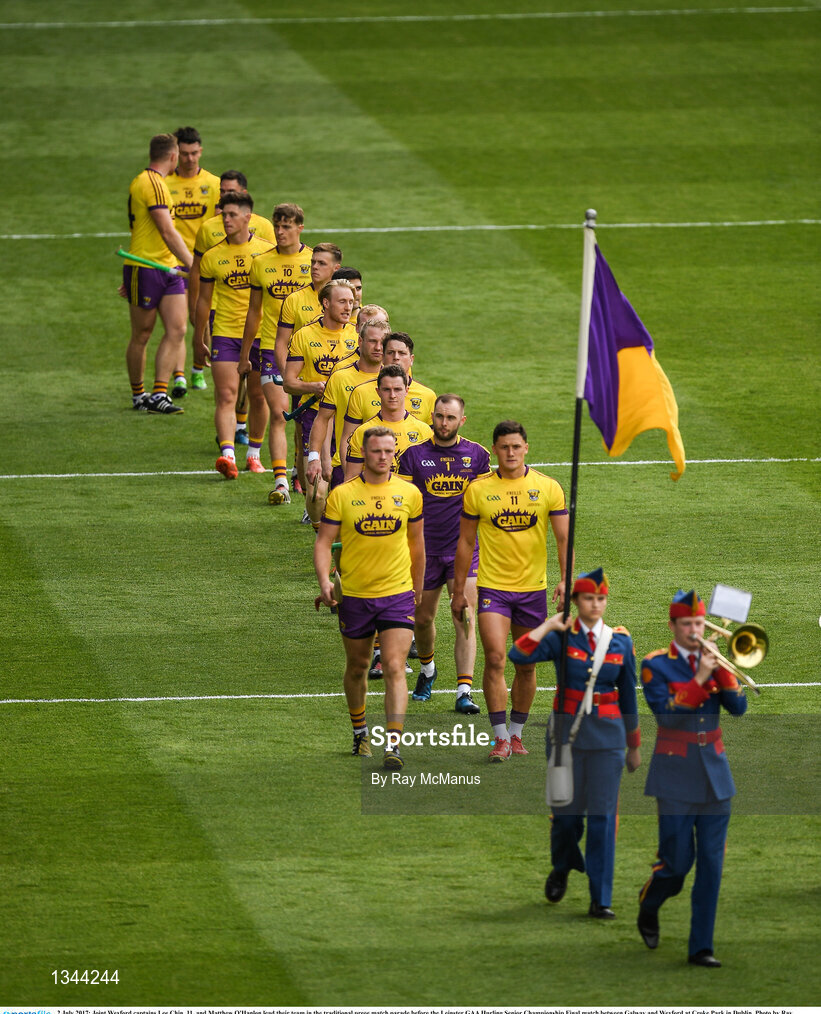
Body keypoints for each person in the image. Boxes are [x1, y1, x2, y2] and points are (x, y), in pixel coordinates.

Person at [508, 569, 641, 918]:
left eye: (600, 599)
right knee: (566, 818)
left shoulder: (621, 642)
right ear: (576, 602)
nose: (595, 605)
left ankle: (601, 898)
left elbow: (628, 695)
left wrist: (634, 744)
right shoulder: (562, 637)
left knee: (603, 819)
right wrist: (548, 626)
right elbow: (518, 656)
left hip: (608, 741)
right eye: (588, 598)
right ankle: (563, 865)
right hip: (564, 738)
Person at [637, 589, 748, 968]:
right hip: (674, 775)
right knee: (676, 864)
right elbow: (667, 717)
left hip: (716, 775)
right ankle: (650, 903)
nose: (695, 630)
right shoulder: (654, 665)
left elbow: (738, 709)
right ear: (672, 626)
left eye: (699, 623)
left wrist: (723, 672)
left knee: (712, 866)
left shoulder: (714, 659)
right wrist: (701, 677)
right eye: (687, 624)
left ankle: (701, 946)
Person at [451, 420, 569, 761]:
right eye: (504, 447)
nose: (511, 452)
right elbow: (465, 542)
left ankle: (517, 733)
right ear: (496, 450)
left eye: (516, 446)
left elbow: (563, 538)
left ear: (526, 448)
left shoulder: (548, 487)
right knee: (495, 658)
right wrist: (459, 591)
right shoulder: (478, 490)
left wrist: (566, 579)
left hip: (533, 590)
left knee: (527, 666)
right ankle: (500, 738)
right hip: (494, 589)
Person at [314, 426, 425, 770]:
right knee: (359, 666)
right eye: (376, 451)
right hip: (356, 597)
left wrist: (417, 588)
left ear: (395, 453)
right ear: (364, 452)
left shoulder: (409, 493)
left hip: (397, 594)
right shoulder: (343, 495)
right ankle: (360, 731)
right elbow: (323, 542)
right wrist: (324, 582)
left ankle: (394, 743)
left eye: (388, 452)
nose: (382, 457)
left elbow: (417, 544)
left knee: (394, 666)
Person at [397, 394, 492, 714]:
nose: (443, 423)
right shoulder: (412, 456)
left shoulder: (477, 456)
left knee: (464, 617)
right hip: (423, 551)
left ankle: (464, 691)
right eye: (439, 416)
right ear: (431, 417)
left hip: (463, 551)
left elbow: (484, 503)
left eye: (450, 418)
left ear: (461, 421)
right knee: (422, 619)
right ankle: (427, 671)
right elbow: (402, 502)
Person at [192, 191, 274, 478]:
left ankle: (253, 454)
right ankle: (227, 455)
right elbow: (204, 300)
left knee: (258, 396)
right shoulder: (213, 256)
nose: (225, 220)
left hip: (262, 334)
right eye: (222, 215)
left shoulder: (266, 251)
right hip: (226, 332)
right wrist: (198, 336)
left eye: (231, 215)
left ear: (247, 217)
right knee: (226, 394)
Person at [243, 203, 313, 500]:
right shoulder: (260, 262)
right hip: (273, 348)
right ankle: (281, 482)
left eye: (286, 226)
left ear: (300, 227)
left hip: (310, 350)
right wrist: (246, 353)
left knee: (304, 417)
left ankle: (300, 472)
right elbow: (254, 311)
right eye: (277, 226)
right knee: (280, 413)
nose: (280, 232)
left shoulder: (314, 261)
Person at [123, 132, 193, 414]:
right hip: (146, 267)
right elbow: (166, 229)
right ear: (173, 156)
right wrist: (193, 263)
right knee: (142, 333)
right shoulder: (152, 183)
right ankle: (139, 395)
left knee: (177, 329)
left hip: (168, 268)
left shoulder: (153, 182)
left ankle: (159, 394)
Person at [188, 171, 276, 393]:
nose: (225, 197)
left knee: (256, 394)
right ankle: (234, 425)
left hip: (260, 324)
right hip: (222, 314)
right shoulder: (209, 229)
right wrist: (197, 322)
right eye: (223, 192)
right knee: (228, 392)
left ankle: (240, 425)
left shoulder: (264, 229)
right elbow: (197, 271)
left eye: (231, 192)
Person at [283, 280, 359, 526]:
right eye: (342, 302)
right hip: (316, 416)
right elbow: (288, 382)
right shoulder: (304, 335)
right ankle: (317, 522)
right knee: (316, 488)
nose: (348, 307)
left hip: (351, 418)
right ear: (326, 303)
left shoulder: (358, 334)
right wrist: (312, 387)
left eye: (351, 302)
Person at [164, 126, 221, 399]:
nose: (189, 159)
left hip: (204, 264)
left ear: (201, 151)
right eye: (184, 153)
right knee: (180, 324)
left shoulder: (214, 184)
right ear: (177, 153)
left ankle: (198, 367)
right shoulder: (164, 183)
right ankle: (179, 377)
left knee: (203, 320)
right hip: (174, 263)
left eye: (194, 153)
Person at [305, 315, 389, 496]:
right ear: (360, 341)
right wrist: (316, 458)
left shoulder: (395, 380)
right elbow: (322, 419)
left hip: (389, 466)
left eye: (382, 342)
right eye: (372, 341)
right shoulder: (340, 377)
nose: (378, 348)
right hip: (346, 463)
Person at [339, 332, 436, 464]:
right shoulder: (360, 392)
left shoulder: (428, 395)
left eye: (401, 353)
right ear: (383, 357)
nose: (396, 358)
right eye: (391, 353)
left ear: (411, 359)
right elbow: (347, 438)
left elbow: (433, 446)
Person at [345, 365, 433, 481]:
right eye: (387, 389)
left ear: (406, 391)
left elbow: (430, 475)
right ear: (378, 392)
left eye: (397, 389)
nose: (392, 395)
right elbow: (351, 479)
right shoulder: (362, 432)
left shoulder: (424, 431)